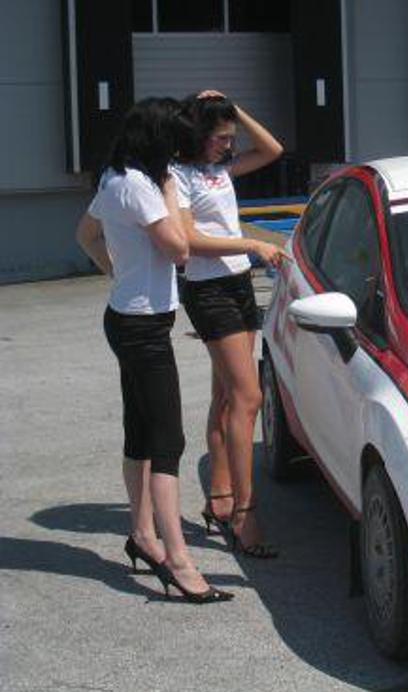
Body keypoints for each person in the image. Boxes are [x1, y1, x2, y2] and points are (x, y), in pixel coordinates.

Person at [75, 97, 232, 603]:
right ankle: (178, 560)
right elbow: (180, 249)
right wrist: (168, 183)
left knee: (141, 433)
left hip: (129, 318)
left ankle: (143, 536)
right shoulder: (143, 186)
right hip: (142, 329)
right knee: (168, 442)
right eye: (175, 145)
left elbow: (86, 234)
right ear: (159, 143)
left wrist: (119, 275)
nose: (180, 155)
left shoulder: (115, 177)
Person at [172, 90, 288, 558]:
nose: (227, 144)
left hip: (239, 283)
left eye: (230, 136)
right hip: (209, 290)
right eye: (220, 136)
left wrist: (233, 107)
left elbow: (272, 149)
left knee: (227, 396)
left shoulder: (218, 169)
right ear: (198, 134)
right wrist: (251, 245)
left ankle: (220, 495)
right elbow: (188, 239)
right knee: (249, 397)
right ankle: (245, 511)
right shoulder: (179, 175)